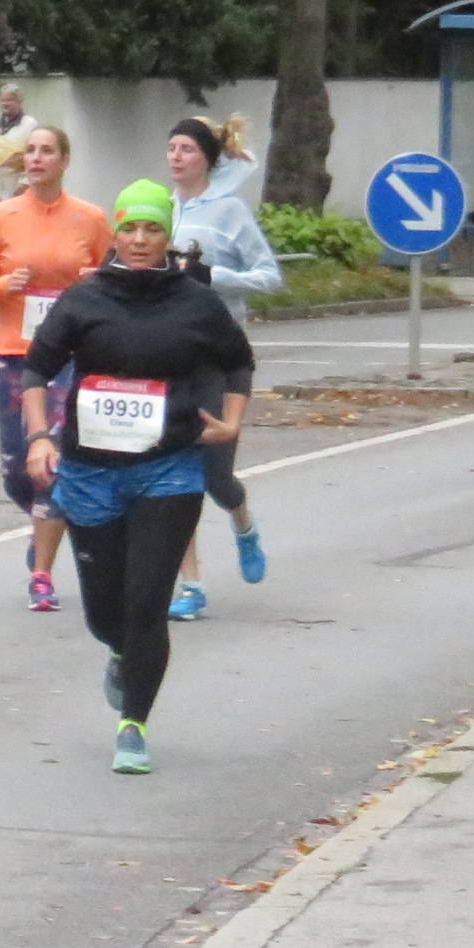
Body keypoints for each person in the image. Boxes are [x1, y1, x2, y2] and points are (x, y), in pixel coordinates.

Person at [17, 178, 254, 777]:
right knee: (104, 614)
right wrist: (40, 436)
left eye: (152, 229)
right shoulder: (84, 298)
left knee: (147, 603)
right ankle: (121, 652)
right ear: (116, 234)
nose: (141, 240)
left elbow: (238, 361)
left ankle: (133, 727)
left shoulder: (195, 302)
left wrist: (230, 424)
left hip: (167, 470)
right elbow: (37, 369)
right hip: (91, 473)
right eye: (130, 228)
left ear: (167, 236)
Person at [0, 123, 107, 612]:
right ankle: (46, 522)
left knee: (51, 461)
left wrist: (94, 279)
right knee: (16, 470)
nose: (37, 158)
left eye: (47, 151)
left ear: (64, 160)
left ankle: (41, 573)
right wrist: (4, 285)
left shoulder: (89, 218)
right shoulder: (1, 216)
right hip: (14, 352)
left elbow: (116, 278)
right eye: (31, 151)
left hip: (69, 355)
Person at [164, 113, 282, 616]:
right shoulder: (161, 209)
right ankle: (190, 586)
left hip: (220, 357)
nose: (176, 156)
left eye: (187, 149)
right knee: (175, 478)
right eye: (171, 148)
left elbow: (270, 276)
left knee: (215, 478)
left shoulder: (229, 210)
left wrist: (214, 277)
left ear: (207, 159)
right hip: (170, 357)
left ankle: (243, 524)